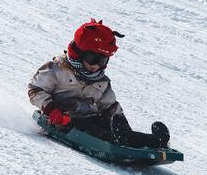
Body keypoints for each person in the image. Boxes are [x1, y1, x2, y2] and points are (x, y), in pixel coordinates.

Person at [28, 18, 170, 148]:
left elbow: (110, 106)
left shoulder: (101, 81)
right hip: (62, 120)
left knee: (106, 125)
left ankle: (153, 141)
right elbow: (35, 89)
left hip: (91, 117)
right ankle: (118, 140)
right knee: (87, 127)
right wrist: (52, 110)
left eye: (102, 60)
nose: (96, 65)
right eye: (92, 58)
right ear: (79, 53)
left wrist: (121, 124)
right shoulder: (57, 69)